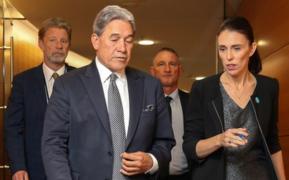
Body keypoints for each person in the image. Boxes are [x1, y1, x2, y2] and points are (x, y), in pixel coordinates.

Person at [41, 5, 175, 180]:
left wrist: (152, 160)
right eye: (114, 39)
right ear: (96, 40)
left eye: (128, 40)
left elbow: (164, 141)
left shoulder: (150, 86)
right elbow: (53, 145)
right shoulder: (67, 86)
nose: (122, 48)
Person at [183, 16, 286, 180]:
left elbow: (273, 143)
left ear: (251, 49)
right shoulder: (203, 89)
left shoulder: (269, 88)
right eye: (222, 49)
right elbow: (189, 147)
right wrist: (220, 139)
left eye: (236, 48)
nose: (228, 57)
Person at [4, 17, 74, 180]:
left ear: (69, 46)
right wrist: (18, 167)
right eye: (52, 40)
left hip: (74, 171)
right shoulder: (23, 82)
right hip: (33, 170)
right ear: (41, 44)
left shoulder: (83, 80)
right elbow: (13, 129)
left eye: (64, 41)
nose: (59, 46)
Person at [150, 47, 190, 180]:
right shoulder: (141, 103)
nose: (167, 69)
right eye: (161, 64)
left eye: (172, 64)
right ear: (152, 71)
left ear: (179, 70)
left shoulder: (193, 103)